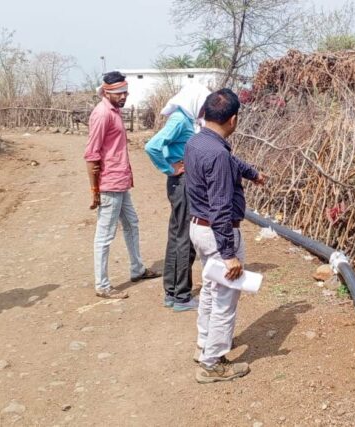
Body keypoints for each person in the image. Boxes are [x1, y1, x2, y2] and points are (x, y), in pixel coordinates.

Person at [184, 89, 267, 383]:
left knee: (209, 289)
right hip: (218, 231)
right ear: (233, 120)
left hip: (199, 228)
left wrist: (251, 173)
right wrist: (229, 253)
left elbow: (230, 162)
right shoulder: (218, 153)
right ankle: (212, 363)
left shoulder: (197, 141)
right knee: (224, 299)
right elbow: (220, 207)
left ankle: (204, 345)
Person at [85, 71, 160, 299]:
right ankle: (102, 285)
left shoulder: (115, 111)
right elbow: (91, 154)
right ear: (107, 92)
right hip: (109, 183)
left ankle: (137, 269)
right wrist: (95, 190)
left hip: (121, 181)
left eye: (125, 91)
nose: (124, 95)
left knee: (132, 224)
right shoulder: (102, 114)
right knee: (105, 235)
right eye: (119, 93)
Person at [145, 83, 210, 312]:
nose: (204, 111)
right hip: (183, 183)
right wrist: (170, 169)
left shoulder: (185, 118)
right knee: (185, 238)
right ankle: (182, 296)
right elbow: (152, 146)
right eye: (203, 106)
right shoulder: (180, 120)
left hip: (181, 183)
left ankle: (172, 293)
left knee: (176, 236)